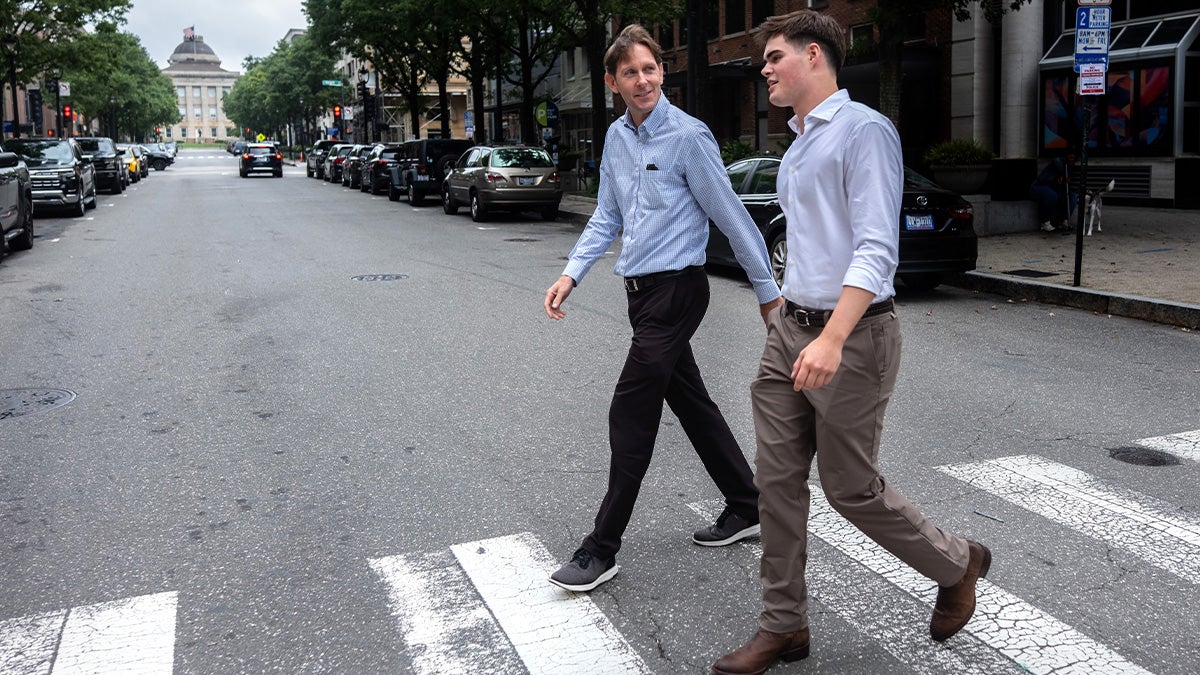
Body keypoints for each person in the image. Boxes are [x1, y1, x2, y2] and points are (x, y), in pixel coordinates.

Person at [712, 11, 992, 674]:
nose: (766, 69)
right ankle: (784, 625)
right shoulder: (800, 140)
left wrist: (832, 337)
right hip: (791, 332)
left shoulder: (864, 132)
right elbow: (808, 240)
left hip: (854, 338)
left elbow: (874, 248)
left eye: (775, 56)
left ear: (815, 55)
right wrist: (784, 310)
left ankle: (959, 562)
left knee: (850, 486)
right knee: (776, 485)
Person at [543, 23, 784, 593]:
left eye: (650, 68)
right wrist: (570, 273)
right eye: (630, 72)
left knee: (631, 409)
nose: (643, 79)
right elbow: (607, 215)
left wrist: (768, 292)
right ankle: (747, 503)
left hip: (678, 290)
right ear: (614, 81)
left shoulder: (689, 137)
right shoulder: (617, 139)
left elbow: (731, 216)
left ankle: (602, 546)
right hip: (641, 295)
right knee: (692, 403)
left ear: (662, 72)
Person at [1029, 151, 1077, 231]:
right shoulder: (1055, 165)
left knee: (1072, 196)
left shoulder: (1068, 168)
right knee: (1051, 195)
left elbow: (1063, 187)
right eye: (1070, 157)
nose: (1072, 160)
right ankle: (1044, 222)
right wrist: (1056, 180)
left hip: (1054, 190)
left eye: (1074, 159)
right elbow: (1042, 179)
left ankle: (1063, 221)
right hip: (1038, 188)